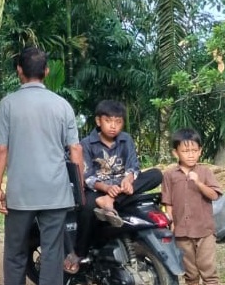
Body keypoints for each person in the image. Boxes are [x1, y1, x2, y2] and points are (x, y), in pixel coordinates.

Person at [0, 46, 84, 285]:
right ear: (46, 71)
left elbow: (0, 149)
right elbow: (75, 150)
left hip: (21, 191)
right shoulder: (62, 105)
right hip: (55, 191)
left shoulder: (7, 104)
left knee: (16, 248)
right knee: (53, 250)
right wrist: (77, 186)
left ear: (19, 70)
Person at [70, 100, 163, 271]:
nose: (113, 126)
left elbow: (133, 166)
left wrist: (128, 179)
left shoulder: (126, 139)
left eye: (118, 122)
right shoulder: (86, 144)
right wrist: (106, 189)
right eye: (108, 121)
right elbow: (87, 176)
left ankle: (110, 201)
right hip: (98, 190)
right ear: (98, 121)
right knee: (86, 207)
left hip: (121, 188)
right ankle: (79, 253)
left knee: (156, 174)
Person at [162, 128, 223, 285]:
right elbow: (168, 202)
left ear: (200, 151)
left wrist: (199, 184)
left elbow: (214, 195)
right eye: (186, 151)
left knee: (207, 266)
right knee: (190, 269)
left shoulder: (204, 172)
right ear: (175, 153)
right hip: (182, 231)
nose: (191, 155)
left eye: (194, 150)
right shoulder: (170, 175)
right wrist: (170, 221)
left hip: (204, 229)